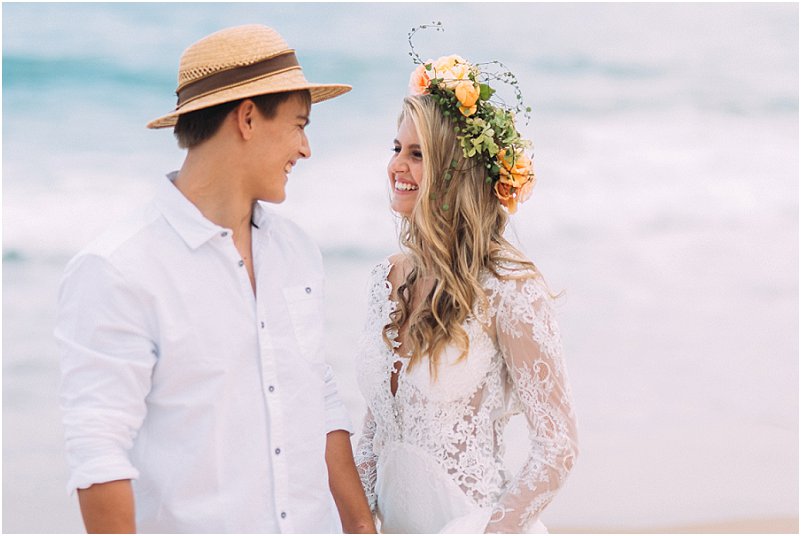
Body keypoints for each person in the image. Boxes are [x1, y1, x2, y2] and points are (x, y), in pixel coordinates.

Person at [56, 24, 375, 534]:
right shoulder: (118, 269)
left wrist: (361, 528)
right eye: (299, 124)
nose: (306, 148)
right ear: (247, 118)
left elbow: (319, 395)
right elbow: (99, 457)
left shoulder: (297, 252)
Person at [354, 52, 579, 533]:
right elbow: (375, 432)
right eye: (397, 148)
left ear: (455, 171)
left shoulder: (508, 289)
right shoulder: (385, 280)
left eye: (418, 154)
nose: (396, 166)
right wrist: (356, 522)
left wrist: (486, 532)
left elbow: (558, 446)